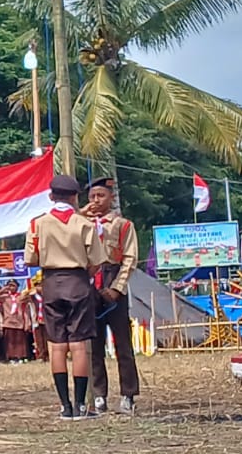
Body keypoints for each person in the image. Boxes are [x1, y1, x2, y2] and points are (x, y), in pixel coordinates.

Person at [25, 174, 107, 420]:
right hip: (78, 282)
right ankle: (81, 405)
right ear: (75, 198)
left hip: (51, 283)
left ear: (51, 197)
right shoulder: (84, 224)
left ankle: (64, 406)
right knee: (79, 345)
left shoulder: (37, 224)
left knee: (57, 345)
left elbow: (30, 258)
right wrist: (82, 274)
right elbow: (97, 261)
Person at [82, 177, 141, 414]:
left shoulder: (122, 224)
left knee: (122, 344)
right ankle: (99, 395)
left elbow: (130, 258)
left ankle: (128, 394)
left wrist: (117, 288)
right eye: (92, 197)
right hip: (89, 283)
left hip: (113, 277)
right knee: (93, 345)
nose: (96, 201)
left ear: (111, 197)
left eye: (101, 196)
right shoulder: (81, 223)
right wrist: (82, 212)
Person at [0, 281, 30, 362]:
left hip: (19, 322)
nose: (11, 288)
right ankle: (11, 357)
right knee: (9, 342)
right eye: (9, 286)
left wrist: (27, 323)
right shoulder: (4, 297)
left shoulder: (21, 297)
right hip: (8, 322)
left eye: (13, 286)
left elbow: (26, 310)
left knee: (20, 341)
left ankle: (20, 356)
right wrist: (2, 290)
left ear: (17, 287)